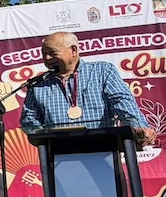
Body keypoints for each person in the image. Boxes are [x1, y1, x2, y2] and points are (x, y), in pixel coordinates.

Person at [21, 31, 156, 145]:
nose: (47, 58)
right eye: (44, 54)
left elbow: (122, 101)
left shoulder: (103, 71)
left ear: (73, 50)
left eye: (52, 53)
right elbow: (29, 118)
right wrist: (43, 137)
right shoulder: (37, 84)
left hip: (103, 148)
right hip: (58, 153)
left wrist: (138, 127)